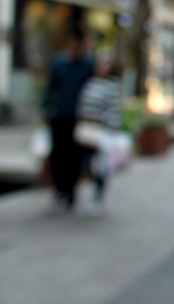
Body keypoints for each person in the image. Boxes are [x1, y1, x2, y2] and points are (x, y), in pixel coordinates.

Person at [41, 29, 94, 211]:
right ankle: (59, 188)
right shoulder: (60, 63)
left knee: (75, 155)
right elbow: (50, 87)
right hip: (60, 115)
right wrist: (46, 108)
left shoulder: (88, 65)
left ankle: (71, 190)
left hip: (79, 117)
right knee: (57, 153)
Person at [75, 53, 122, 215]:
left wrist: (110, 129)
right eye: (100, 64)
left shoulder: (111, 85)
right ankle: (92, 194)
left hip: (102, 131)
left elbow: (114, 110)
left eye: (106, 64)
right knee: (86, 164)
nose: (102, 67)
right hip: (86, 129)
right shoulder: (90, 81)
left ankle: (97, 197)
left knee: (100, 166)